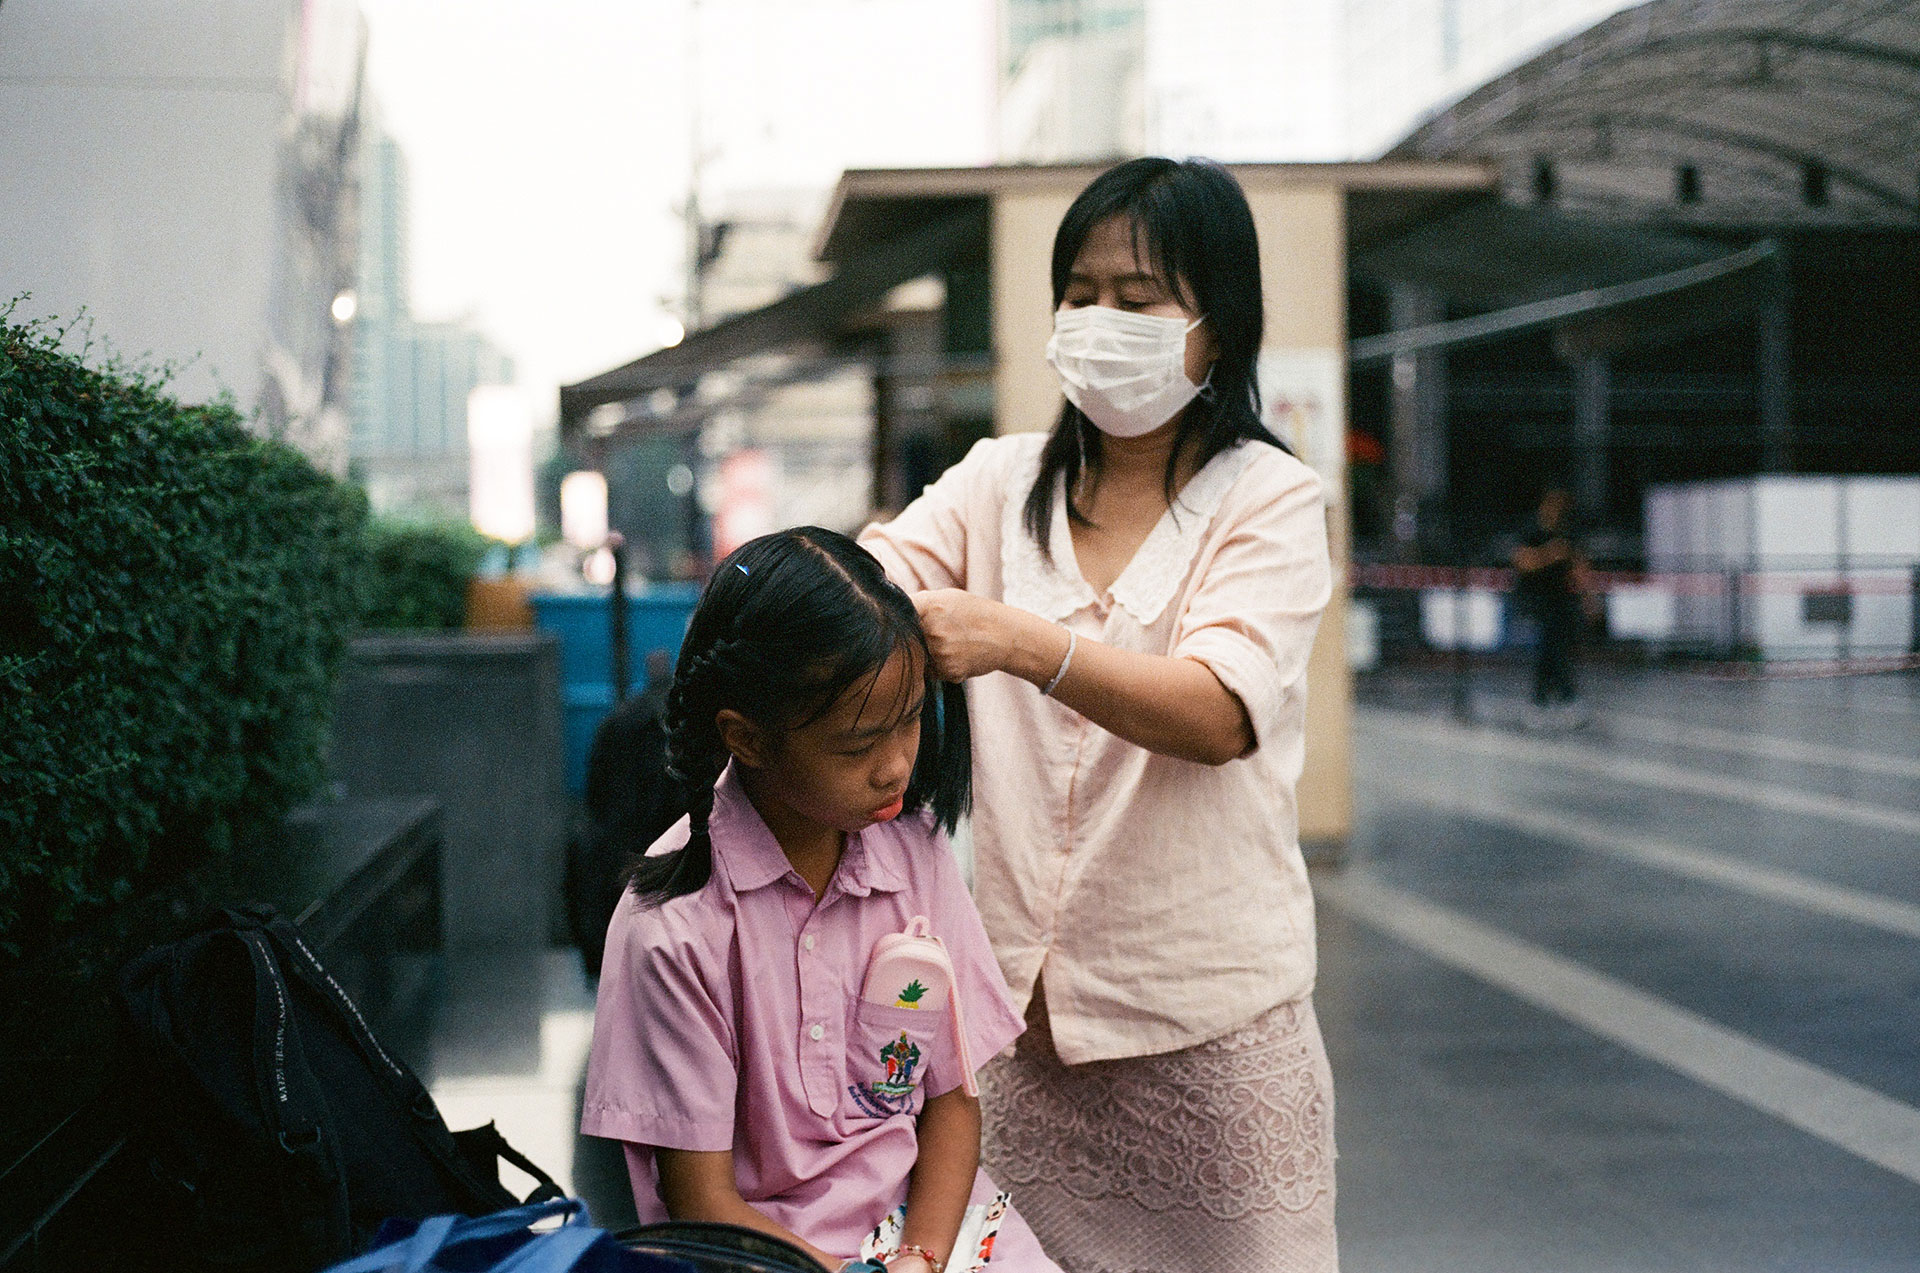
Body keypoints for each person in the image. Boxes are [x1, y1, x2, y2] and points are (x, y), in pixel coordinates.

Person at [859, 157, 1337, 1273]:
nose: (1097, 320)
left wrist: (1023, 643)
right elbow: (866, 586)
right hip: (1019, 1036)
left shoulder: (1270, 500)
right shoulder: (994, 482)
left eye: (1138, 297)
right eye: (1078, 292)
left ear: (1218, 329)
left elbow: (1220, 709)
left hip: (1209, 1034)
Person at [580, 528, 1061, 1273]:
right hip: (757, 1256)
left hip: (927, 1233)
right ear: (748, 738)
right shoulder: (671, 927)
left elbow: (952, 1104)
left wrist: (922, 1257)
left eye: (909, 720)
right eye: (858, 743)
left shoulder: (916, 853)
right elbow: (703, 1200)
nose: (897, 764)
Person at [567, 650, 682, 980]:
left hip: (620, 843)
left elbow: (595, 793)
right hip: (668, 848)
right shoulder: (681, 727)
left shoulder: (616, 722)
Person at [1511, 488, 1585, 713]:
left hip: (1561, 598)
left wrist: (1587, 595)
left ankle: (1541, 699)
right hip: (1538, 599)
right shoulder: (1532, 530)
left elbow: (1578, 565)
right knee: (1553, 646)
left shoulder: (1566, 531)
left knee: (1554, 648)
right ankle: (1565, 696)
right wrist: (1549, 555)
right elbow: (1522, 561)